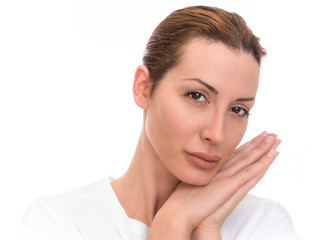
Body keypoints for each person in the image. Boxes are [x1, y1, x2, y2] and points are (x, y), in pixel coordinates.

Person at [19, 6, 302, 240]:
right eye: (196, 96)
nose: (216, 134)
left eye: (238, 110)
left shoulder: (266, 225)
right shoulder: (58, 222)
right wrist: (172, 224)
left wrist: (203, 226)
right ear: (144, 87)